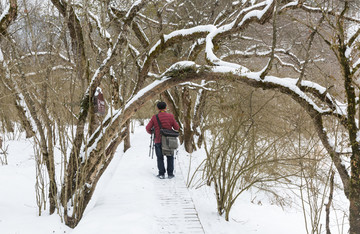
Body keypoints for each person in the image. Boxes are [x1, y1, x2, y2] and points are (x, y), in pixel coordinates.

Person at [146, 101, 180, 179]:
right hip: (169, 140)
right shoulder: (170, 116)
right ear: (165, 108)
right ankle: (170, 174)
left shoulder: (155, 117)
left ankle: (161, 174)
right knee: (170, 156)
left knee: (160, 157)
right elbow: (176, 128)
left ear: (157, 108)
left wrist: (152, 133)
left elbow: (148, 128)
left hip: (158, 140)